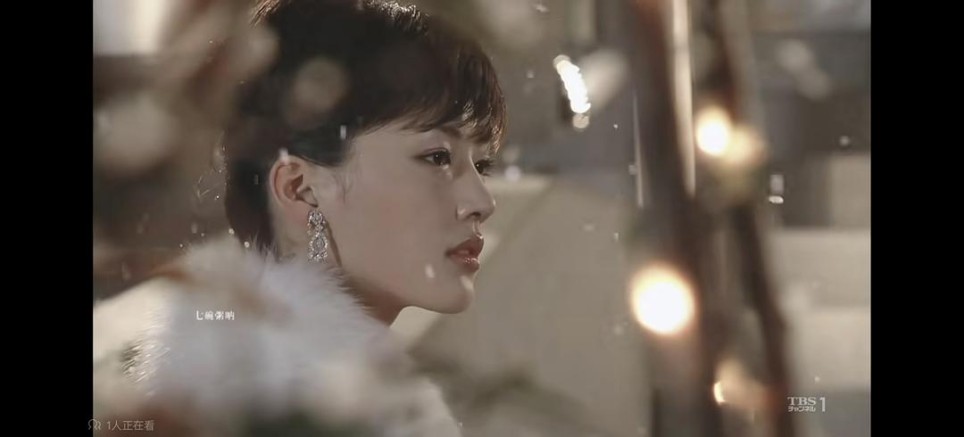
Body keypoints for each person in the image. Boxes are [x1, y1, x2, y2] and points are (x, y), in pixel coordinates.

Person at [93, 0, 506, 435]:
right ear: (299, 188)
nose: (482, 201)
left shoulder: (231, 372)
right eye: (438, 156)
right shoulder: (302, 409)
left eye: (483, 165)